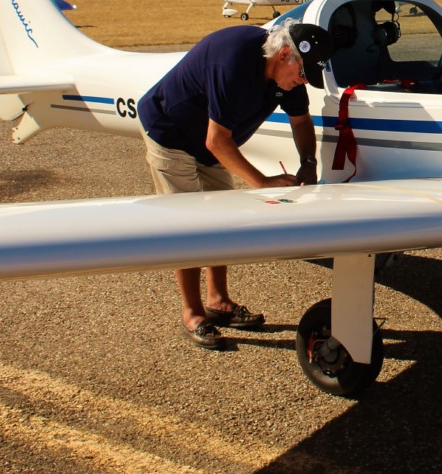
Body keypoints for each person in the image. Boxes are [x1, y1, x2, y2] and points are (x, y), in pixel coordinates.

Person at [137, 21, 337, 350]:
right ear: (286, 54)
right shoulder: (233, 61)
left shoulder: (287, 75)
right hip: (170, 131)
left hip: (214, 140)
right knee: (187, 224)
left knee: (221, 217)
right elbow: (217, 141)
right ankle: (193, 312)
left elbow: (301, 120)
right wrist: (262, 182)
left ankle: (218, 301)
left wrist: (309, 164)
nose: (302, 83)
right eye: (302, 75)